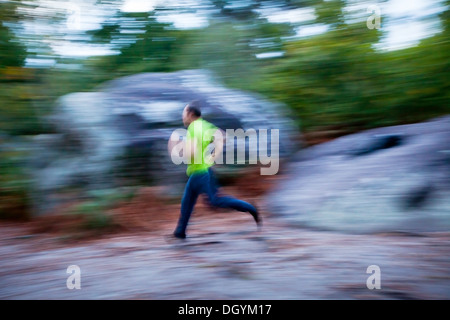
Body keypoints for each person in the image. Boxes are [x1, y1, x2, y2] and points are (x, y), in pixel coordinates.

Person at [168, 100, 261, 239]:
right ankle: (180, 232)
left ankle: (250, 208)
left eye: (184, 113)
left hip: (201, 173)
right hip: (200, 171)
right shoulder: (205, 125)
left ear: (191, 114)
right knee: (187, 202)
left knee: (215, 201)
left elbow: (191, 152)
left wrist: (174, 146)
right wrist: (213, 156)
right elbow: (222, 136)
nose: (182, 117)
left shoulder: (194, 127)